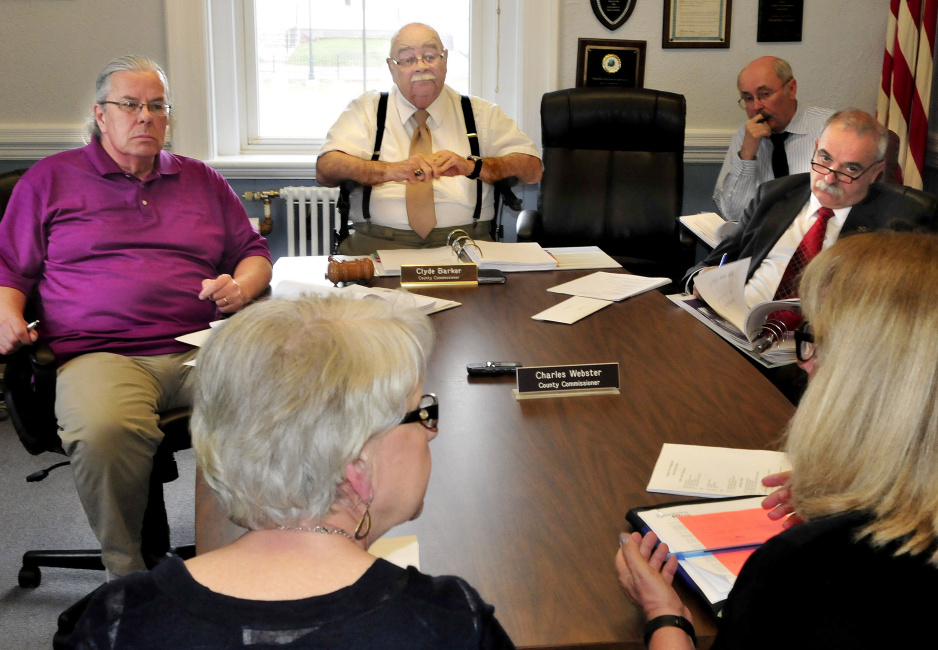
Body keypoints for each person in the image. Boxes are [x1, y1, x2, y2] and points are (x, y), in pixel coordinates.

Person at [618, 231, 938, 649]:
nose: (806, 364)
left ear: (870, 377)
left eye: (816, 340)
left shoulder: (806, 575)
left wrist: (664, 616)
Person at [70, 294, 515, 649]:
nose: (431, 433)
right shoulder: (448, 624)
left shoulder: (116, 620)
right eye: (420, 413)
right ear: (356, 464)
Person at [0, 56, 272, 578]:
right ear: (101, 115)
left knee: (286, 400)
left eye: (156, 106)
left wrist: (241, 287)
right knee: (105, 430)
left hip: (201, 344)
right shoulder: (50, 180)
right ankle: (130, 584)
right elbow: (9, 268)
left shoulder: (202, 180)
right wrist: (8, 313)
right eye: (130, 105)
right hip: (102, 353)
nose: (144, 116)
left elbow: (253, 250)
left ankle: (259, 556)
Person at [316, 22, 542, 254]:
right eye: (407, 59)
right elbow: (326, 169)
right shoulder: (366, 110)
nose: (420, 66)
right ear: (391, 68)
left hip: (468, 244)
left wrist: (473, 167)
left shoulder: (480, 113)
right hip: (376, 243)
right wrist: (389, 171)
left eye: (430, 56)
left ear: (444, 60)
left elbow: (532, 168)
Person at [684, 109, 934, 307]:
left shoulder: (900, 219)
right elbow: (710, 264)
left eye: (850, 169)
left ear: (875, 172)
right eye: (824, 158)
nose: (829, 178)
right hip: (736, 323)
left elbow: (903, 308)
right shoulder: (773, 195)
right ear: (815, 148)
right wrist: (700, 281)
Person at [713, 56, 834, 222]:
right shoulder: (744, 135)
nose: (756, 107)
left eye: (764, 94)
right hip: (761, 242)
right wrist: (747, 156)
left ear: (791, 89)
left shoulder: (830, 128)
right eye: (748, 98)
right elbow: (731, 215)